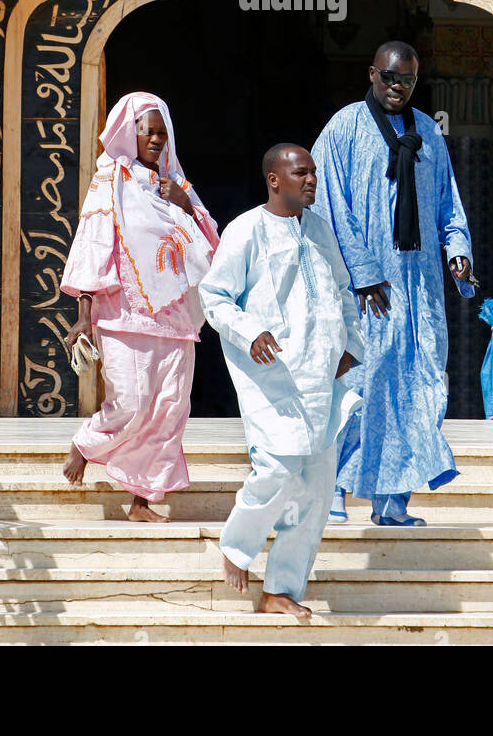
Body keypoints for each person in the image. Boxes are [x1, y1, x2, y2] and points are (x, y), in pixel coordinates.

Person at [311, 40, 474, 526]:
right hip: (363, 293)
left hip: (418, 290)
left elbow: (448, 201)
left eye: (406, 79)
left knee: (418, 388)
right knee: (358, 389)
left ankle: (392, 502)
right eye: (389, 77)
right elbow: (327, 207)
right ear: (372, 74)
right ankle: (335, 490)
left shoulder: (428, 133)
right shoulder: (343, 128)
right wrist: (362, 273)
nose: (397, 86)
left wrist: (458, 250)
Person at [199, 144, 364, 618]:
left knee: (315, 489)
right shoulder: (246, 230)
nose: (311, 180)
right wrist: (250, 332)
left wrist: (350, 344)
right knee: (274, 468)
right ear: (275, 179)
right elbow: (215, 296)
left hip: (322, 378)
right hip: (274, 379)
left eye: (312, 173)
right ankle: (237, 546)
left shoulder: (319, 230)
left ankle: (282, 590)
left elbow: (341, 291)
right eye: (301, 173)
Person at [61, 91, 219, 521]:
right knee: (130, 403)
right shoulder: (110, 179)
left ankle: (143, 501)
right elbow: (94, 243)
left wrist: (183, 203)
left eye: (161, 133)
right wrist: (83, 315)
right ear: (127, 133)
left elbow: (211, 246)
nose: (154, 139)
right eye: (146, 130)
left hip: (177, 320)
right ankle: (85, 444)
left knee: (168, 410)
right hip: (123, 315)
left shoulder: (178, 186)